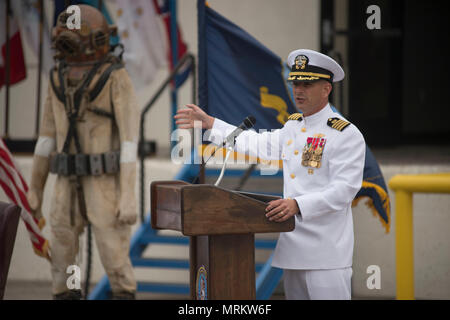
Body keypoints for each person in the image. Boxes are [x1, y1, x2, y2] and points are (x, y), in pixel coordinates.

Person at [174, 49, 366, 300]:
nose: (299, 90)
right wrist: (212, 124)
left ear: (326, 89)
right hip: (295, 250)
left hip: (327, 255)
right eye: (296, 83)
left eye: (307, 84)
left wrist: (297, 204)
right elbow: (258, 144)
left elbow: (344, 190)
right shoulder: (294, 126)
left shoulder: (345, 134)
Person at [26, 5, 137, 299]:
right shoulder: (56, 78)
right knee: (64, 256)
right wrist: (35, 188)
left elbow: (129, 142)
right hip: (66, 183)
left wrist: (128, 195)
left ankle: (122, 293)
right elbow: (46, 137)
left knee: (114, 255)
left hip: (104, 183)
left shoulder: (115, 78)